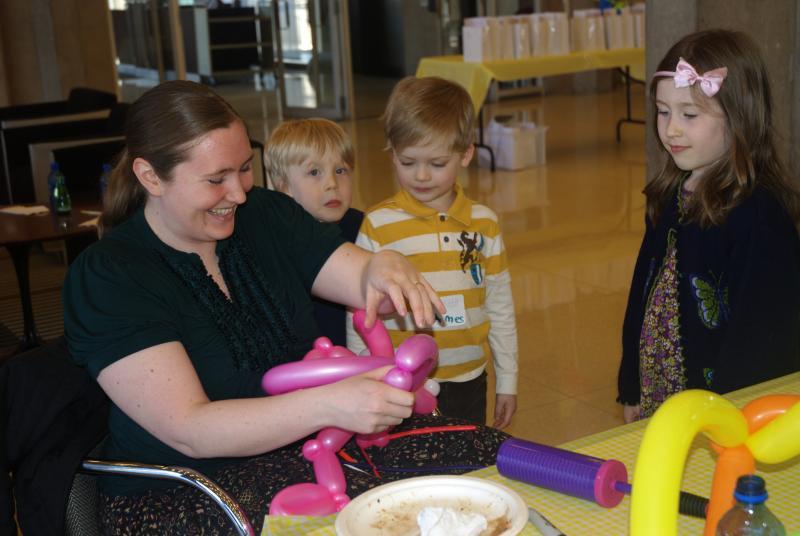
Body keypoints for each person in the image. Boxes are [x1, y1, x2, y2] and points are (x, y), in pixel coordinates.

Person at [62, 80, 509, 534]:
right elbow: (191, 428)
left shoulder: (264, 215)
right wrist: (329, 405)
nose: (238, 193)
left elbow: (356, 275)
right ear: (150, 177)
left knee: (492, 466)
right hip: (186, 489)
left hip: (310, 452)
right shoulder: (110, 276)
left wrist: (381, 265)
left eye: (244, 169)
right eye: (216, 179)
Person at [617, 29, 800, 422]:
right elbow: (644, 287)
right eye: (663, 111)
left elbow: (764, 333)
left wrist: (727, 414)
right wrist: (631, 380)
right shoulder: (670, 192)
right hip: (662, 393)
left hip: (722, 409)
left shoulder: (759, 215)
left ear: (739, 119)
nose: (670, 130)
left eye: (689, 114)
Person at [346, 76, 519, 429]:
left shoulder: (484, 225)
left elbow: (500, 307)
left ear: (466, 153)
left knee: (465, 469)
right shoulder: (378, 224)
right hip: (399, 380)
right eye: (407, 162)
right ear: (391, 152)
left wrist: (508, 381)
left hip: (469, 376)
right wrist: (362, 373)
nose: (421, 176)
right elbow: (359, 311)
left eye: (437, 163)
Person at [265, 118, 363, 347]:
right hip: (303, 365)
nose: (332, 183)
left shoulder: (364, 226)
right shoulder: (275, 237)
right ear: (283, 185)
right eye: (314, 172)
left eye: (341, 170)